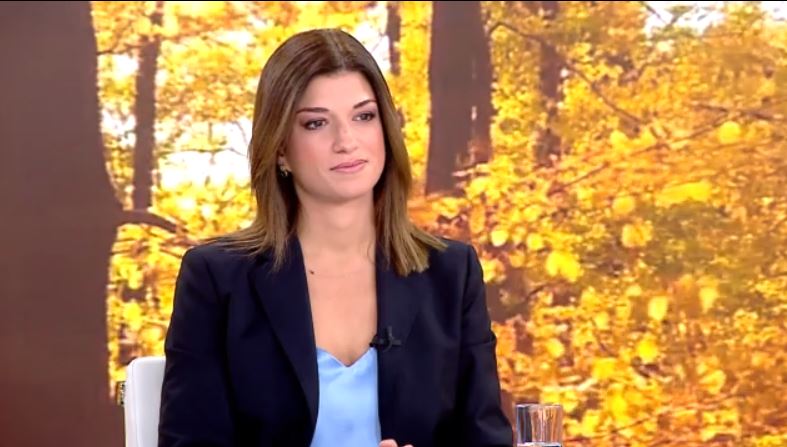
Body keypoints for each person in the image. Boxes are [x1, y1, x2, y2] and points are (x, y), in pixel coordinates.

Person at [158, 28, 513, 447]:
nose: (347, 141)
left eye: (364, 116)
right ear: (280, 149)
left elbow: (486, 439)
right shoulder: (217, 280)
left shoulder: (451, 274)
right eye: (316, 123)